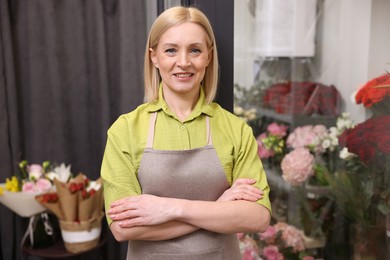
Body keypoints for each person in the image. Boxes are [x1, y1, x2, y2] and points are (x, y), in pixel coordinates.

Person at [100, 6, 271, 260]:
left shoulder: (235, 129)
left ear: (208, 57)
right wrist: (219, 208)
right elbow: (123, 228)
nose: (184, 62)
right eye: (171, 50)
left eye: (195, 50)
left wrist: (170, 208)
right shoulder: (125, 130)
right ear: (154, 57)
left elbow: (258, 217)